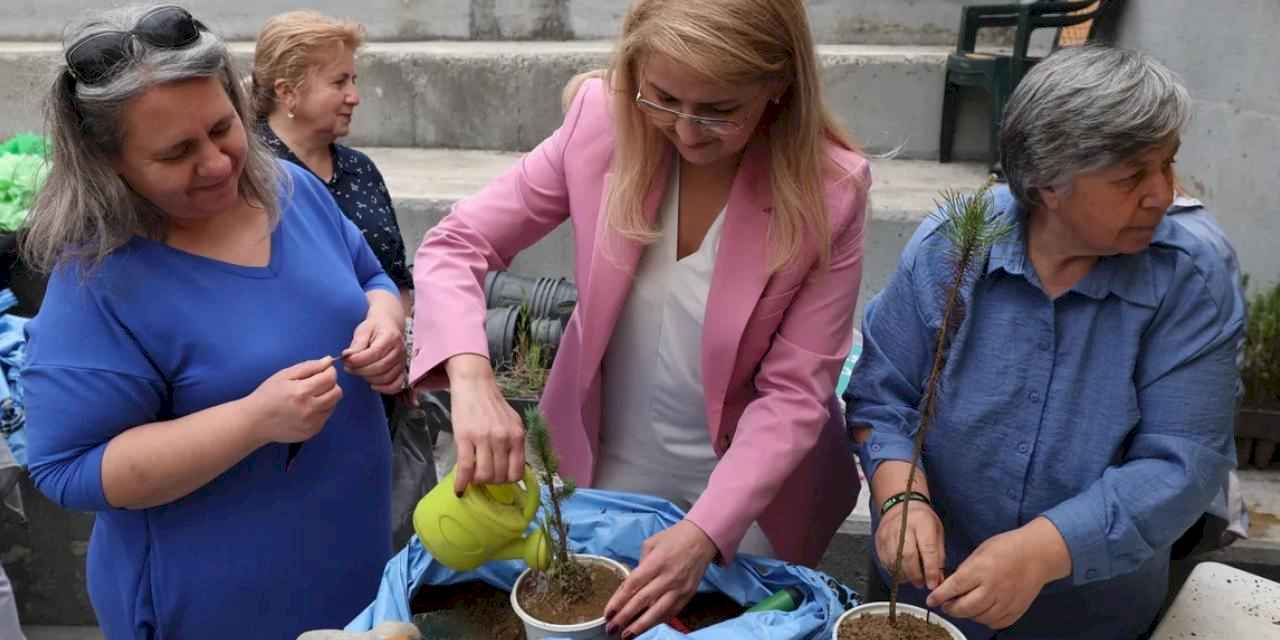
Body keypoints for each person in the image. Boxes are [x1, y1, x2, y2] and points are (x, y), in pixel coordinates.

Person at [411, 0, 870, 635]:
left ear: (778, 85)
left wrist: (707, 530)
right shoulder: (600, 119)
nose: (685, 131)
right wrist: (471, 380)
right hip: (603, 460)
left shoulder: (830, 188)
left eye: (718, 110)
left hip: (753, 493)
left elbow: (794, 393)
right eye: (663, 98)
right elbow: (457, 244)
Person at [21, 6, 404, 639]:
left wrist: (385, 322)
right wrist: (252, 421)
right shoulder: (100, 279)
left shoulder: (290, 189)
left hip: (352, 566)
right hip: (217, 606)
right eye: (177, 153)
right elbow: (67, 468)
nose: (219, 163)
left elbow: (370, 277)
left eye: (223, 128)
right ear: (108, 162)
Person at [845, 45, 1243, 640]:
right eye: (1131, 176)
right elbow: (883, 395)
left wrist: (1045, 550)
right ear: (1048, 182)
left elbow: (1183, 461)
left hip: (1089, 613)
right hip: (926, 596)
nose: (1161, 193)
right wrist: (901, 499)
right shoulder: (955, 245)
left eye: (1168, 163)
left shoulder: (1189, 276)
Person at [250, 11, 412, 315]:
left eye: (353, 80)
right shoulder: (250, 173)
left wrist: (394, 330)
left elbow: (397, 278)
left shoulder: (360, 169)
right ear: (287, 92)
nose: (354, 97)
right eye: (339, 82)